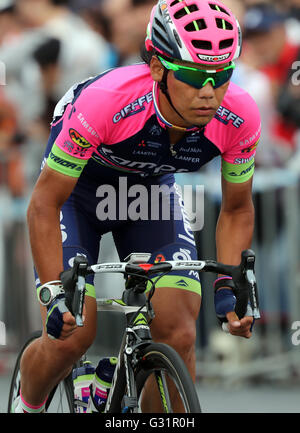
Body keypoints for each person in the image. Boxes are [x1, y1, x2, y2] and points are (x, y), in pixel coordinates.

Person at [13, 0, 260, 413]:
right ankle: (29, 403)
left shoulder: (239, 116)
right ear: (159, 69)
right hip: (78, 193)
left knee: (178, 334)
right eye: (195, 76)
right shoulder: (107, 102)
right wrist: (54, 291)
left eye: (222, 76)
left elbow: (236, 208)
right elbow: (44, 202)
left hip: (150, 194)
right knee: (73, 335)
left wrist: (230, 283)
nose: (209, 92)